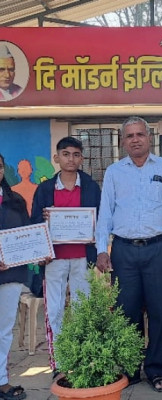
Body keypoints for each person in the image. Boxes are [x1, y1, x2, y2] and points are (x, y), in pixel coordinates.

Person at [95, 116, 162, 393]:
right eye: (129, 136)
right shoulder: (114, 171)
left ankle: (157, 370)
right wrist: (102, 249)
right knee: (127, 311)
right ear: (123, 141)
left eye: (140, 134)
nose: (135, 139)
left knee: (159, 311)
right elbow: (105, 212)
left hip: (158, 248)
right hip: (123, 250)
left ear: (149, 138)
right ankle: (131, 368)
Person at [31, 137, 101, 375]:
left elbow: (100, 221)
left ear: (82, 158)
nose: (71, 159)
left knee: (83, 308)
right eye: (66, 154)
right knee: (55, 310)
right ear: (56, 158)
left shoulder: (91, 186)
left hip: (83, 257)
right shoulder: (45, 189)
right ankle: (60, 362)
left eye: (76, 154)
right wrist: (44, 223)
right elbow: (35, 224)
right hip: (54, 259)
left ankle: (83, 358)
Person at [0, 154, 28, 400]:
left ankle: (2, 381)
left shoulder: (15, 201)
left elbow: (27, 237)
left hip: (10, 274)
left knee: (5, 329)